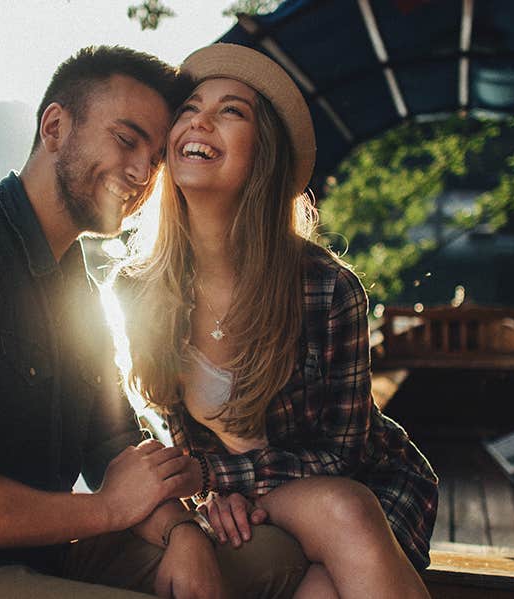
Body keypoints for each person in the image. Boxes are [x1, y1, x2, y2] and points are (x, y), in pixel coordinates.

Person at [0, 46, 308, 599]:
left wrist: (181, 531)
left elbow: (111, 443)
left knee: (273, 556)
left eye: (155, 157)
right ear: (55, 127)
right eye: (125, 140)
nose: (142, 173)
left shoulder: (75, 284)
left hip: (38, 554)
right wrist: (110, 508)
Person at [117, 43, 439, 598]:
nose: (200, 120)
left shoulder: (327, 288)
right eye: (189, 108)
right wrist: (211, 496)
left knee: (340, 520)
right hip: (249, 498)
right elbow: (163, 431)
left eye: (231, 111)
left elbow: (345, 455)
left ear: (263, 152)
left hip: (367, 487)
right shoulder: (138, 287)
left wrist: (217, 480)